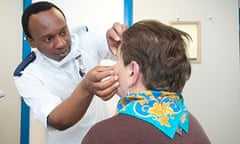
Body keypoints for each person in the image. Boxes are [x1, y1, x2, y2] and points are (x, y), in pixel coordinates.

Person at [13, 1, 127, 144]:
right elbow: (58, 120)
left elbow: (124, 52)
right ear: (32, 42)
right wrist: (86, 87)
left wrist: (123, 40)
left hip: (103, 138)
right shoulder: (27, 74)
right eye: (48, 39)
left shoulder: (86, 38)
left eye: (63, 32)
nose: (61, 43)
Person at [82, 20, 211, 144]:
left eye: (118, 61)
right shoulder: (191, 124)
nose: (115, 68)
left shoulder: (103, 136)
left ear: (132, 72)